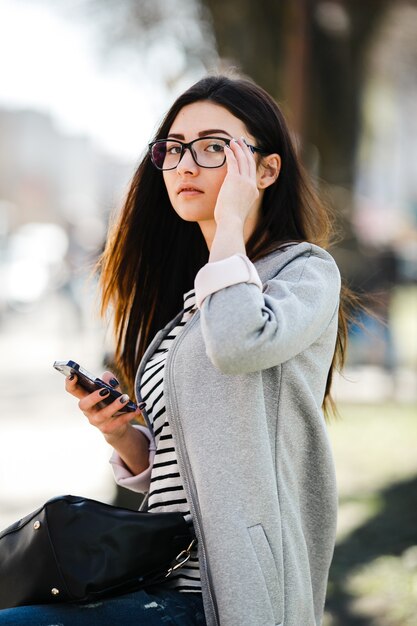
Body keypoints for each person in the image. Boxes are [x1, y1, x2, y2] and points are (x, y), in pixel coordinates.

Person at [0, 74, 346, 626]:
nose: (185, 165)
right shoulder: (196, 299)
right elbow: (184, 464)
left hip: (228, 596)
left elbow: (238, 346)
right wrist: (122, 434)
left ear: (265, 169)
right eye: (175, 149)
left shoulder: (303, 273)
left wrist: (230, 221)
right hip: (161, 580)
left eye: (213, 148)